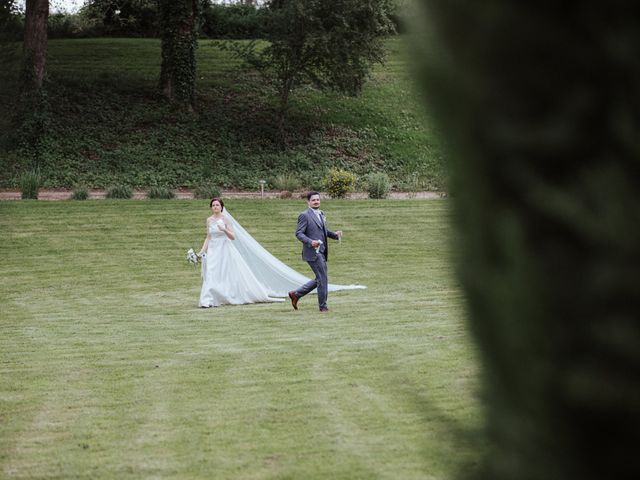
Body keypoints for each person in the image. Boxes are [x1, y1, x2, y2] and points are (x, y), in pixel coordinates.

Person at [198, 198, 278, 308]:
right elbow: (208, 237)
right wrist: (201, 251)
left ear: (222, 207)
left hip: (224, 248)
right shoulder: (209, 220)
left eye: (217, 205)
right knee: (211, 272)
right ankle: (208, 300)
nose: (215, 207)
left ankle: (227, 295)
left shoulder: (226, 219)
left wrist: (224, 229)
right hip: (213, 250)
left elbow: (233, 237)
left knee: (224, 272)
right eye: (213, 205)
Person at [288, 192, 342, 312]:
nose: (316, 201)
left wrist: (335, 235)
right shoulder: (304, 215)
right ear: (308, 202)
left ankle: (296, 294)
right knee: (322, 278)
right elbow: (299, 233)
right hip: (312, 252)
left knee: (320, 278)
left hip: (322, 251)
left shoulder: (321, 214)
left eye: (318, 199)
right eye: (313, 200)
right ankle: (323, 307)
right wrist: (310, 242)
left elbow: (323, 230)